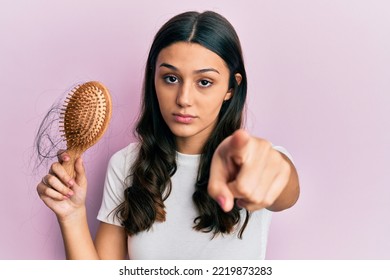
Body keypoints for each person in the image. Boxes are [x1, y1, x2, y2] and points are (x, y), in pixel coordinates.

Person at [36, 11, 299, 260]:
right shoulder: (126, 164)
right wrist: (71, 215)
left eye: (204, 82)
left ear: (231, 87)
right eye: (171, 78)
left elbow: (280, 182)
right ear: (154, 79)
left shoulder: (256, 160)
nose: (184, 99)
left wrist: (267, 167)